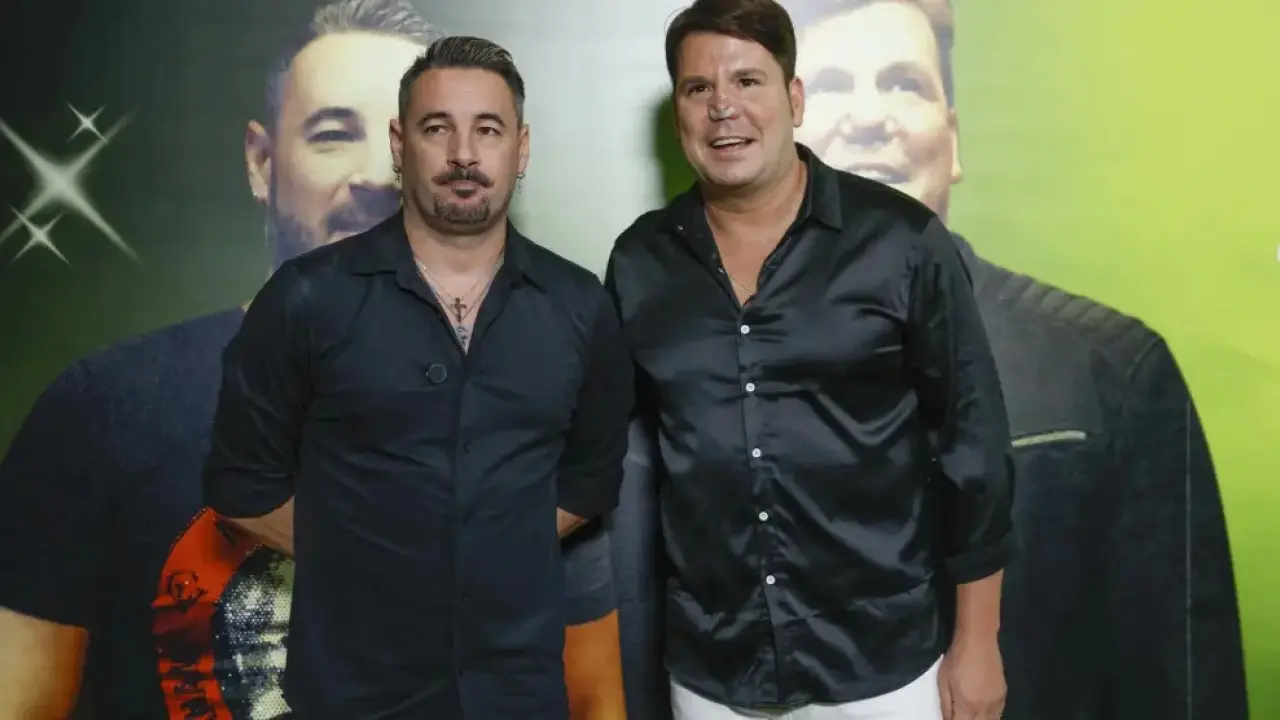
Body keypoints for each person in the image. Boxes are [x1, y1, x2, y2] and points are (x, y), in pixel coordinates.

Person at [0, 3, 625, 719]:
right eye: (333, 133)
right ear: (262, 163)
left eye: (408, 137)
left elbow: (590, 697)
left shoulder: (531, 398)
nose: (377, 174)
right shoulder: (104, 409)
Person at [786, 1, 1248, 717]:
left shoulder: (1110, 375)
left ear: (953, 140)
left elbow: (1187, 683)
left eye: (905, 83)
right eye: (830, 86)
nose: (869, 115)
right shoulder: (697, 378)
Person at [202, 34, 633, 719]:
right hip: (353, 695)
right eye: (437, 128)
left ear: (521, 148)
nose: (463, 154)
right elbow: (241, 488)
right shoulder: (306, 298)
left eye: (487, 129)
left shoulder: (581, 307)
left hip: (516, 694)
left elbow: (589, 481)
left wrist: (486, 547)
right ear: (401, 146)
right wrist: (375, 562)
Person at [608, 0, 1014, 717]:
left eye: (747, 81)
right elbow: (606, 438)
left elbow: (972, 445)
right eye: (699, 88)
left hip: (884, 666)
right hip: (714, 672)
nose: (723, 107)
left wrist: (978, 642)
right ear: (679, 116)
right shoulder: (640, 261)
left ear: (794, 100)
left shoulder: (900, 241)